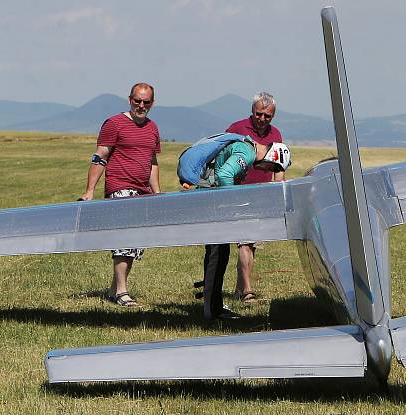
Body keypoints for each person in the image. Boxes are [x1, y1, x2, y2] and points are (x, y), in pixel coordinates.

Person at [179, 135, 291, 320]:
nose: (267, 170)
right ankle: (212, 311)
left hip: (211, 201)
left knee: (219, 254)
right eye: (271, 167)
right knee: (218, 253)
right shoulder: (246, 153)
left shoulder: (245, 149)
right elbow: (224, 174)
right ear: (271, 157)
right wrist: (231, 206)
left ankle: (214, 305)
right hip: (213, 205)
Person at [79, 82, 161, 307]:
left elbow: (152, 161)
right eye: (137, 101)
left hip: (142, 191)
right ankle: (122, 292)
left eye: (146, 102)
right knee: (124, 240)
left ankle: (115, 289)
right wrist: (89, 190)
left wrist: (157, 193)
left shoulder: (153, 128)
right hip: (120, 188)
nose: (141, 105)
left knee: (135, 244)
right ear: (129, 100)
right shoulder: (114, 124)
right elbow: (100, 156)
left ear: (152, 103)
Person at [225, 91, 284, 303]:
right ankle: (248, 291)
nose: (262, 119)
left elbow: (279, 167)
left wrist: (278, 189)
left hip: (262, 196)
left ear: (273, 116)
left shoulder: (275, 134)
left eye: (267, 116)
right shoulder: (237, 129)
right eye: (259, 114)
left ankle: (240, 288)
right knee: (244, 242)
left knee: (251, 245)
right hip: (238, 193)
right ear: (252, 111)